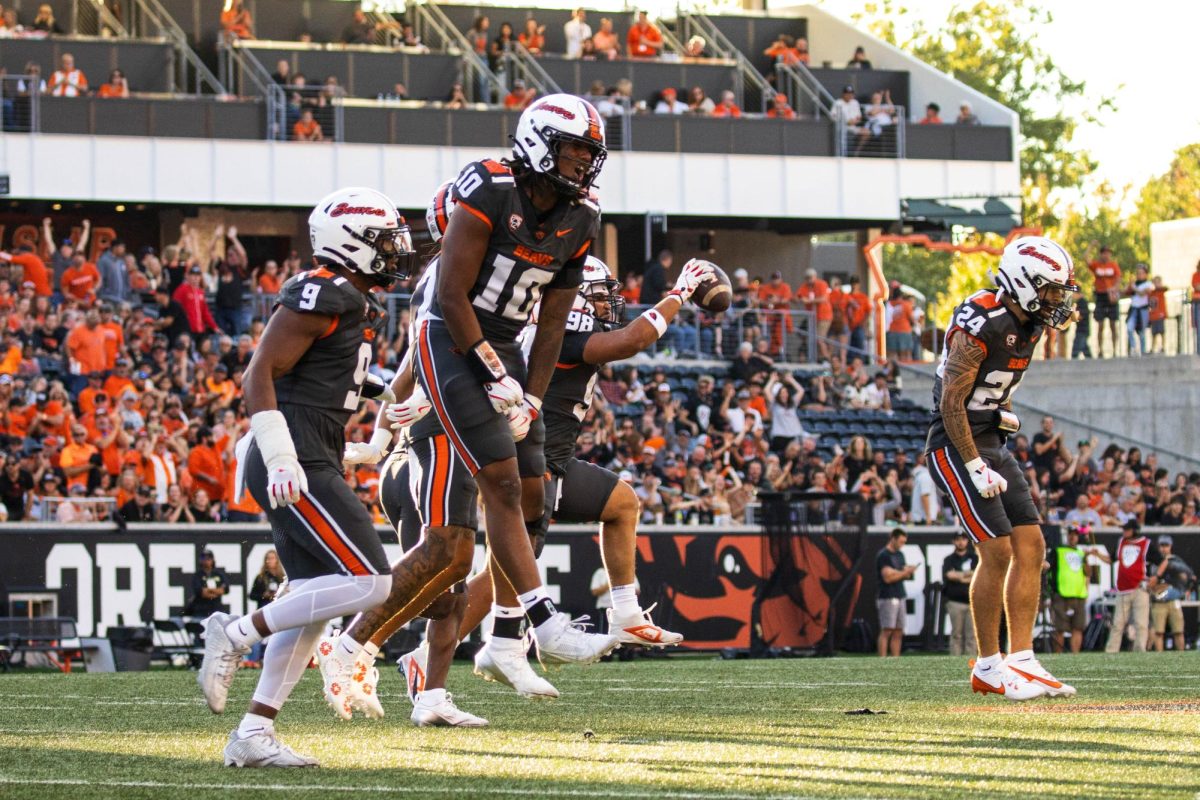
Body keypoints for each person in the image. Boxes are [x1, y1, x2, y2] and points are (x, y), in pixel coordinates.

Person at [324, 95, 620, 712]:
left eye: (589, 152)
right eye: (574, 149)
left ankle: (468, 653)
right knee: (478, 517)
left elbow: (551, 321)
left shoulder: (583, 214)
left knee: (530, 499)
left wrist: (532, 400)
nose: (582, 163)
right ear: (539, 142)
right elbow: (450, 305)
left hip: (505, 349)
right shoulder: (488, 188)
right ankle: (534, 623)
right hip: (452, 346)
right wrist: (487, 378)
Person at [195, 187, 418, 767]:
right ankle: (237, 631)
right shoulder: (324, 288)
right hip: (292, 451)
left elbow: (335, 374)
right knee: (372, 582)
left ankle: (252, 733)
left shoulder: (354, 299)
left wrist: (385, 401)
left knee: (314, 604)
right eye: (383, 242)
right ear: (349, 242)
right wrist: (282, 456)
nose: (395, 252)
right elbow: (259, 373)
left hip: (313, 446)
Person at [926, 235, 1079, 700]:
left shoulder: (1030, 321)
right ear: (1023, 283)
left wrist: (1002, 409)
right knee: (996, 550)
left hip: (991, 438)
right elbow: (951, 397)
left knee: (1032, 544)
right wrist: (972, 463)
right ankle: (988, 667)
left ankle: (1022, 658)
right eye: (1050, 290)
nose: (1057, 300)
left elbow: (996, 378)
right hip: (955, 442)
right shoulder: (981, 319)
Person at [1096, 519, 1151, 653]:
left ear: (1135, 530)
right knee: (1118, 623)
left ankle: (1140, 650)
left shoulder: (1146, 543)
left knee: (1141, 624)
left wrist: (1156, 577)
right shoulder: (1121, 542)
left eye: (1127, 529)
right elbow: (1111, 559)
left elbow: (1161, 561)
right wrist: (1097, 554)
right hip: (1123, 589)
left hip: (1139, 589)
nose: (1124, 531)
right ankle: (1111, 651)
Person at [1047, 526, 1093, 654]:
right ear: (1066, 536)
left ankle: (1075, 655)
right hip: (1061, 593)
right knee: (1059, 628)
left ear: (1078, 537)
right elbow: (1049, 570)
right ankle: (1058, 655)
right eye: (1070, 534)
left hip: (1079, 594)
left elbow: (1088, 573)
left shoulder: (1081, 553)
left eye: (1075, 535)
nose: (1073, 537)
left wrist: (1086, 559)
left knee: (1078, 628)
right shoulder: (1058, 551)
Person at [1148, 535, 1194, 652]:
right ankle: (1159, 658)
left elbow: (1189, 575)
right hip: (1158, 600)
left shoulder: (1175, 560)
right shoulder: (1153, 561)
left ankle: (1181, 656)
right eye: (1161, 546)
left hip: (1173, 600)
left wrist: (1181, 586)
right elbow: (1150, 579)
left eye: (1166, 546)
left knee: (1178, 631)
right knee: (1158, 631)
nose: (1163, 549)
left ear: (1170, 547)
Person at [876, 528, 915, 657]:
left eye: (904, 542)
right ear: (893, 538)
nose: (902, 545)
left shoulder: (900, 555)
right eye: (900, 541)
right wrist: (904, 573)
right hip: (888, 596)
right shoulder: (884, 555)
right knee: (887, 630)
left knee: (898, 630)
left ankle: (895, 660)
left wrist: (899, 573)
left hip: (900, 594)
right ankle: (882, 659)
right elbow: (887, 577)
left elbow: (903, 575)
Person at [245, 550, 285, 667]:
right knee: (259, 635)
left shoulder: (281, 578)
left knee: (279, 636)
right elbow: (252, 595)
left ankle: (278, 660)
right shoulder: (260, 578)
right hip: (263, 609)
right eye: (267, 559)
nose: (269, 561)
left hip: (278, 610)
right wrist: (264, 595)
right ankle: (254, 660)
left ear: (277, 560)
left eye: (272, 558)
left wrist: (279, 595)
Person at [941, 531, 976, 656]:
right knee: (957, 633)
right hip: (955, 601)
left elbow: (977, 575)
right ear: (953, 541)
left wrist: (959, 576)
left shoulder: (974, 557)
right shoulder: (949, 559)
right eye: (958, 539)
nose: (960, 542)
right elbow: (949, 575)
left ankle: (971, 660)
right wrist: (968, 574)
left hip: (972, 601)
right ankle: (955, 659)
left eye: (963, 539)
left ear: (967, 541)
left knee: (971, 635)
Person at [1087, 244, 1122, 358]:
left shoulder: (1113, 265)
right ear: (1101, 254)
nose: (1107, 255)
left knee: (1113, 324)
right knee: (1100, 324)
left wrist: (1114, 289)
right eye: (1105, 253)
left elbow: (1118, 278)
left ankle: (1115, 350)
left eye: (1108, 253)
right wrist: (1091, 246)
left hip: (1110, 295)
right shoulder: (1096, 265)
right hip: (1100, 295)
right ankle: (1100, 350)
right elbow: (1086, 258)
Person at [188, 549, 229, 619]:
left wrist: (208, 590)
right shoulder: (198, 575)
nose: (206, 560)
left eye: (208, 558)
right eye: (203, 558)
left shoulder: (218, 574)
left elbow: (225, 590)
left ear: (212, 560)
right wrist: (216, 591)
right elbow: (200, 592)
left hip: (216, 610)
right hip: (201, 611)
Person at [1125, 263, 1152, 356]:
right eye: (1138, 273)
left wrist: (1134, 288)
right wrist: (1129, 284)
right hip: (1134, 309)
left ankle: (1143, 350)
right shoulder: (1134, 284)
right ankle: (1133, 347)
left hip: (1143, 310)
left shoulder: (1148, 284)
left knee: (1141, 331)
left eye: (1141, 273)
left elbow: (1143, 293)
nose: (1139, 275)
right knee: (1129, 328)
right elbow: (1125, 292)